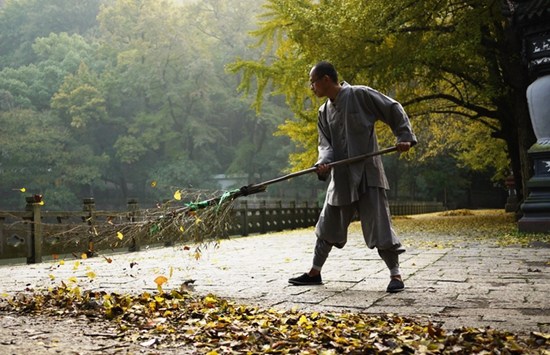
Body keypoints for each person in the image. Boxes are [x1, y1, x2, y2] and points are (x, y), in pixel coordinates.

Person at [288, 61, 417, 293]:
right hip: (342, 176)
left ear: (326, 79)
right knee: (327, 223)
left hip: (368, 172)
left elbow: (393, 108)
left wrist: (403, 136)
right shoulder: (323, 112)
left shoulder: (360, 94)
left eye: (313, 82)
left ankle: (395, 275)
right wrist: (323, 163)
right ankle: (314, 272)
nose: (312, 88)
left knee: (380, 225)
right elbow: (325, 144)